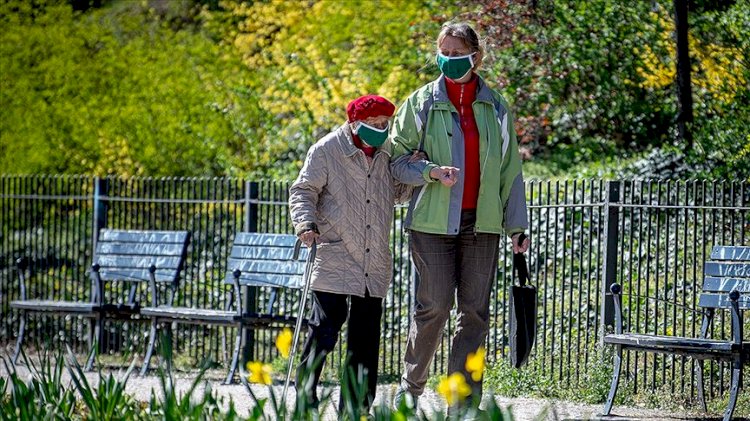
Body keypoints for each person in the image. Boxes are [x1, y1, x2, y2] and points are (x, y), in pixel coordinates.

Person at [389, 22, 531, 408]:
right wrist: (428, 172)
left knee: (474, 313)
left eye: (457, 53)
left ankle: (463, 402)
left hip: (482, 225)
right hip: (432, 224)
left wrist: (517, 225)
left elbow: (509, 171)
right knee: (433, 306)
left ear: (476, 56)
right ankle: (411, 387)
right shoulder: (420, 103)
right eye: (444, 53)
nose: (449, 61)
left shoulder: (495, 106)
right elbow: (394, 162)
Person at [289, 94, 409, 412]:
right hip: (334, 253)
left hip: (373, 259)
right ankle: (306, 397)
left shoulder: (387, 152)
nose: (381, 130)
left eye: (386, 124)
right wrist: (304, 223)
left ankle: (356, 410)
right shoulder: (327, 149)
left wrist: (420, 171)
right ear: (355, 123)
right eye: (374, 124)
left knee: (365, 341)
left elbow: (398, 191)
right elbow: (303, 189)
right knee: (325, 329)